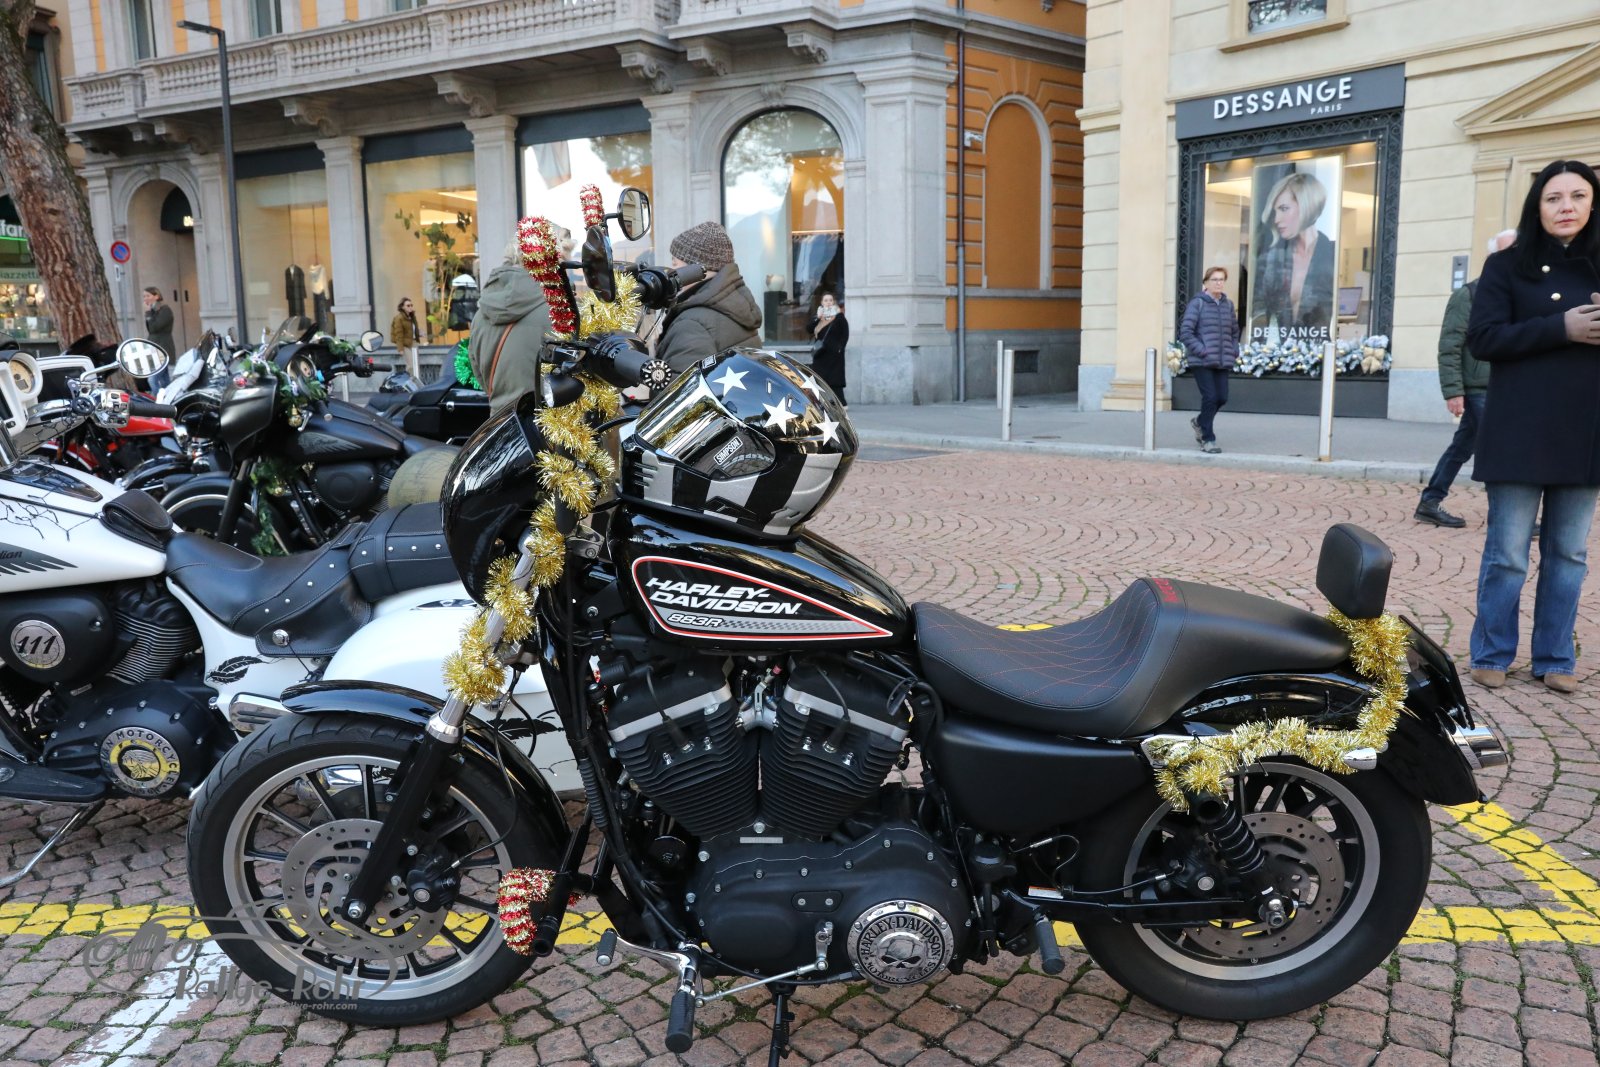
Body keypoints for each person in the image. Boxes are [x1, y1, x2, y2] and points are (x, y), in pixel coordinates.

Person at [1464, 160, 1600, 696]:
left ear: (1593, 202)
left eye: (1578, 196)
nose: (1566, 207)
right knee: (1508, 554)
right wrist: (1560, 327)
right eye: (1553, 197)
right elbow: (1483, 339)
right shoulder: (1507, 265)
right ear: (1536, 206)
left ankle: (1555, 656)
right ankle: (1492, 651)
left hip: (1586, 431)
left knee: (1569, 554)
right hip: (1519, 427)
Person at [1416, 229, 1518, 527]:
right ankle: (1506, 515)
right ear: (1492, 257)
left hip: (1504, 385)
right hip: (1477, 389)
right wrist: (1453, 391)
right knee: (1499, 446)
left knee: (1463, 446)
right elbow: (1449, 346)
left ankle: (1430, 501)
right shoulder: (1468, 295)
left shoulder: (1515, 296)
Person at [656, 221, 761, 374]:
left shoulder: (692, 325)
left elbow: (678, 386)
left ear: (695, 269)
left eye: (675, 263)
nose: (671, 271)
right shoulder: (735, 304)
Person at [468, 242, 553, 419]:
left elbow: (477, 370)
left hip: (501, 422)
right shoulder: (555, 312)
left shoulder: (480, 316)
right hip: (546, 423)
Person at [1251, 172, 1337, 338]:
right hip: (1277, 349)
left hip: (1319, 349)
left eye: (1284, 209)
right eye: (1275, 211)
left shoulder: (1331, 255)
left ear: (1306, 205)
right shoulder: (1272, 258)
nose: (1277, 219)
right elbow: (1258, 311)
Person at [1179, 265, 1239, 455]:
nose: (1219, 283)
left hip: (1222, 359)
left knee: (1222, 397)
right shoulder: (1198, 303)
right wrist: (1202, 350)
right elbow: (1186, 332)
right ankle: (1207, 438)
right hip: (1202, 360)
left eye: (1221, 279)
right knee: (1210, 397)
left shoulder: (1228, 305)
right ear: (1206, 282)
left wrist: (1234, 349)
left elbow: (1234, 331)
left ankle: (1199, 422)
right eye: (1215, 279)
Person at [807, 292, 849, 405]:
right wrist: (818, 318)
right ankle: (818, 402)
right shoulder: (819, 316)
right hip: (821, 353)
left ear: (833, 302)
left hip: (834, 354)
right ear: (822, 302)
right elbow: (809, 329)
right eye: (826, 300)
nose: (828, 302)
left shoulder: (839, 317)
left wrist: (840, 348)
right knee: (818, 378)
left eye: (830, 300)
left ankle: (841, 403)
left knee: (835, 381)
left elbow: (845, 334)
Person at [141, 286, 175, 391]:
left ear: (156, 296)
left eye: (148, 296)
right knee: (164, 380)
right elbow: (151, 330)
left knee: (152, 380)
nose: (145, 299)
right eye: (144, 296)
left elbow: (154, 328)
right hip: (154, 347)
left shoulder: (165, 310)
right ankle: (168, 397)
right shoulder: (153, 311)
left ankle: (157, 399)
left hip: (163, 348)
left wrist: (148, 313)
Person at [390, 297, 420, 377]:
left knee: (416, 365)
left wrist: (419, 333)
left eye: (411, 305)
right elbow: (398, 334)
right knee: (411, 365)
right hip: (405, 344)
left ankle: (416, 380)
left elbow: (412, 330)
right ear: (403, 307)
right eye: (408, 305)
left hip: (413, 342)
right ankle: (409, 380)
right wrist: (400, 349)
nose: (410, 307)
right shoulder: (399, 318)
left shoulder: (412, 317)